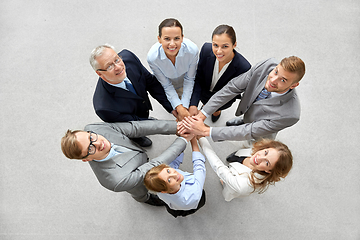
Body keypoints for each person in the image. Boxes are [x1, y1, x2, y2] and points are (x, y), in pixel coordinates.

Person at [178, 56, 306, 147]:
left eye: (283, 80)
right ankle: (243, 119)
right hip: (251, 111)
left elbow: (249, 131)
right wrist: (202, 115)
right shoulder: (267, 65)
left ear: (293, 85)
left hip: (261, 131)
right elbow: (233, 87)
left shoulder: (290, 115)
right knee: (246, 120)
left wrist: (206, 131)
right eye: (276, 72)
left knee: (250, 147)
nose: (273, 80)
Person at [61, 120, 192, 206]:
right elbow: (154, 164)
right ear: (87, 159)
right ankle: (145, 199)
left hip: (137, 156)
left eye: (90, 137)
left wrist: (177, 127)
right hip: (135, 181)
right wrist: (183, 140)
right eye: (90, 148)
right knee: (140, 192)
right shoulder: (115, 180)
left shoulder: (94, 128)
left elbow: (135, 128)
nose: (98, 142)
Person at [90, 44, 173, 147]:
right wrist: (166, 126)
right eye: (109, 66)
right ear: (99, 73)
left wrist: (173, 108)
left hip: (141, 109)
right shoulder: (104, 107)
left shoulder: (129, 58)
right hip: (131, 121)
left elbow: (151, 83)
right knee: (134, 130)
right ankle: (137, 138)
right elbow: (131, 123)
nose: (118, 67)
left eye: (117, 60)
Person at [189, 24, 251, 122]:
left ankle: (216, 111)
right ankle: (206, 105)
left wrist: (215, 107)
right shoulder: (206, 50)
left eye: (225, 46)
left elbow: (232, 93)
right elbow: (199, 78)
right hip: (204, 92)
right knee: (206, 102)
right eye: (215, 45)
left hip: (224, 99)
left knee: (216, 109)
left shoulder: (244, 67)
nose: (219, 51)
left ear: (234, 45)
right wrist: (193, 104)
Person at [198, 137, 292, 201]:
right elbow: (238, 138)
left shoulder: (243, 184)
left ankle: (224, 183)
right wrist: (209, 131)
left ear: (268, 171)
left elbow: (217, 166)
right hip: (240, 157)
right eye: (266, 152)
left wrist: (201, 138)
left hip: (234, 183)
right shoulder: (259, 149)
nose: (259, 158)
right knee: (235, 157)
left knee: (226, 182)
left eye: (267, 163)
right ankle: (235, 159)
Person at [147, 18, 199, 121]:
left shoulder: (192, 51)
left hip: (185, 81)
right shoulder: (152, 58)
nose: (172, 44)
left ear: (182, 38)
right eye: (167, 39)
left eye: (176, 38)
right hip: (168, 82)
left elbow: (189, 79)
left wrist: (183, 107)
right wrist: (179, 108)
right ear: (159, 39)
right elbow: (166, 85)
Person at [144, 138, 206, 217]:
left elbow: (174, 162)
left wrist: (184, 140)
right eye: (169, 180)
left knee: (172, 209)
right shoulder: (193, 195)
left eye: (168, 171)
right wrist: (193, 141)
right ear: (163, 190)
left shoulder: (159, 187)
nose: (175, 175)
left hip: (172, 204)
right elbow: (199, 167)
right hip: (188, 205)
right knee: (186, 211)